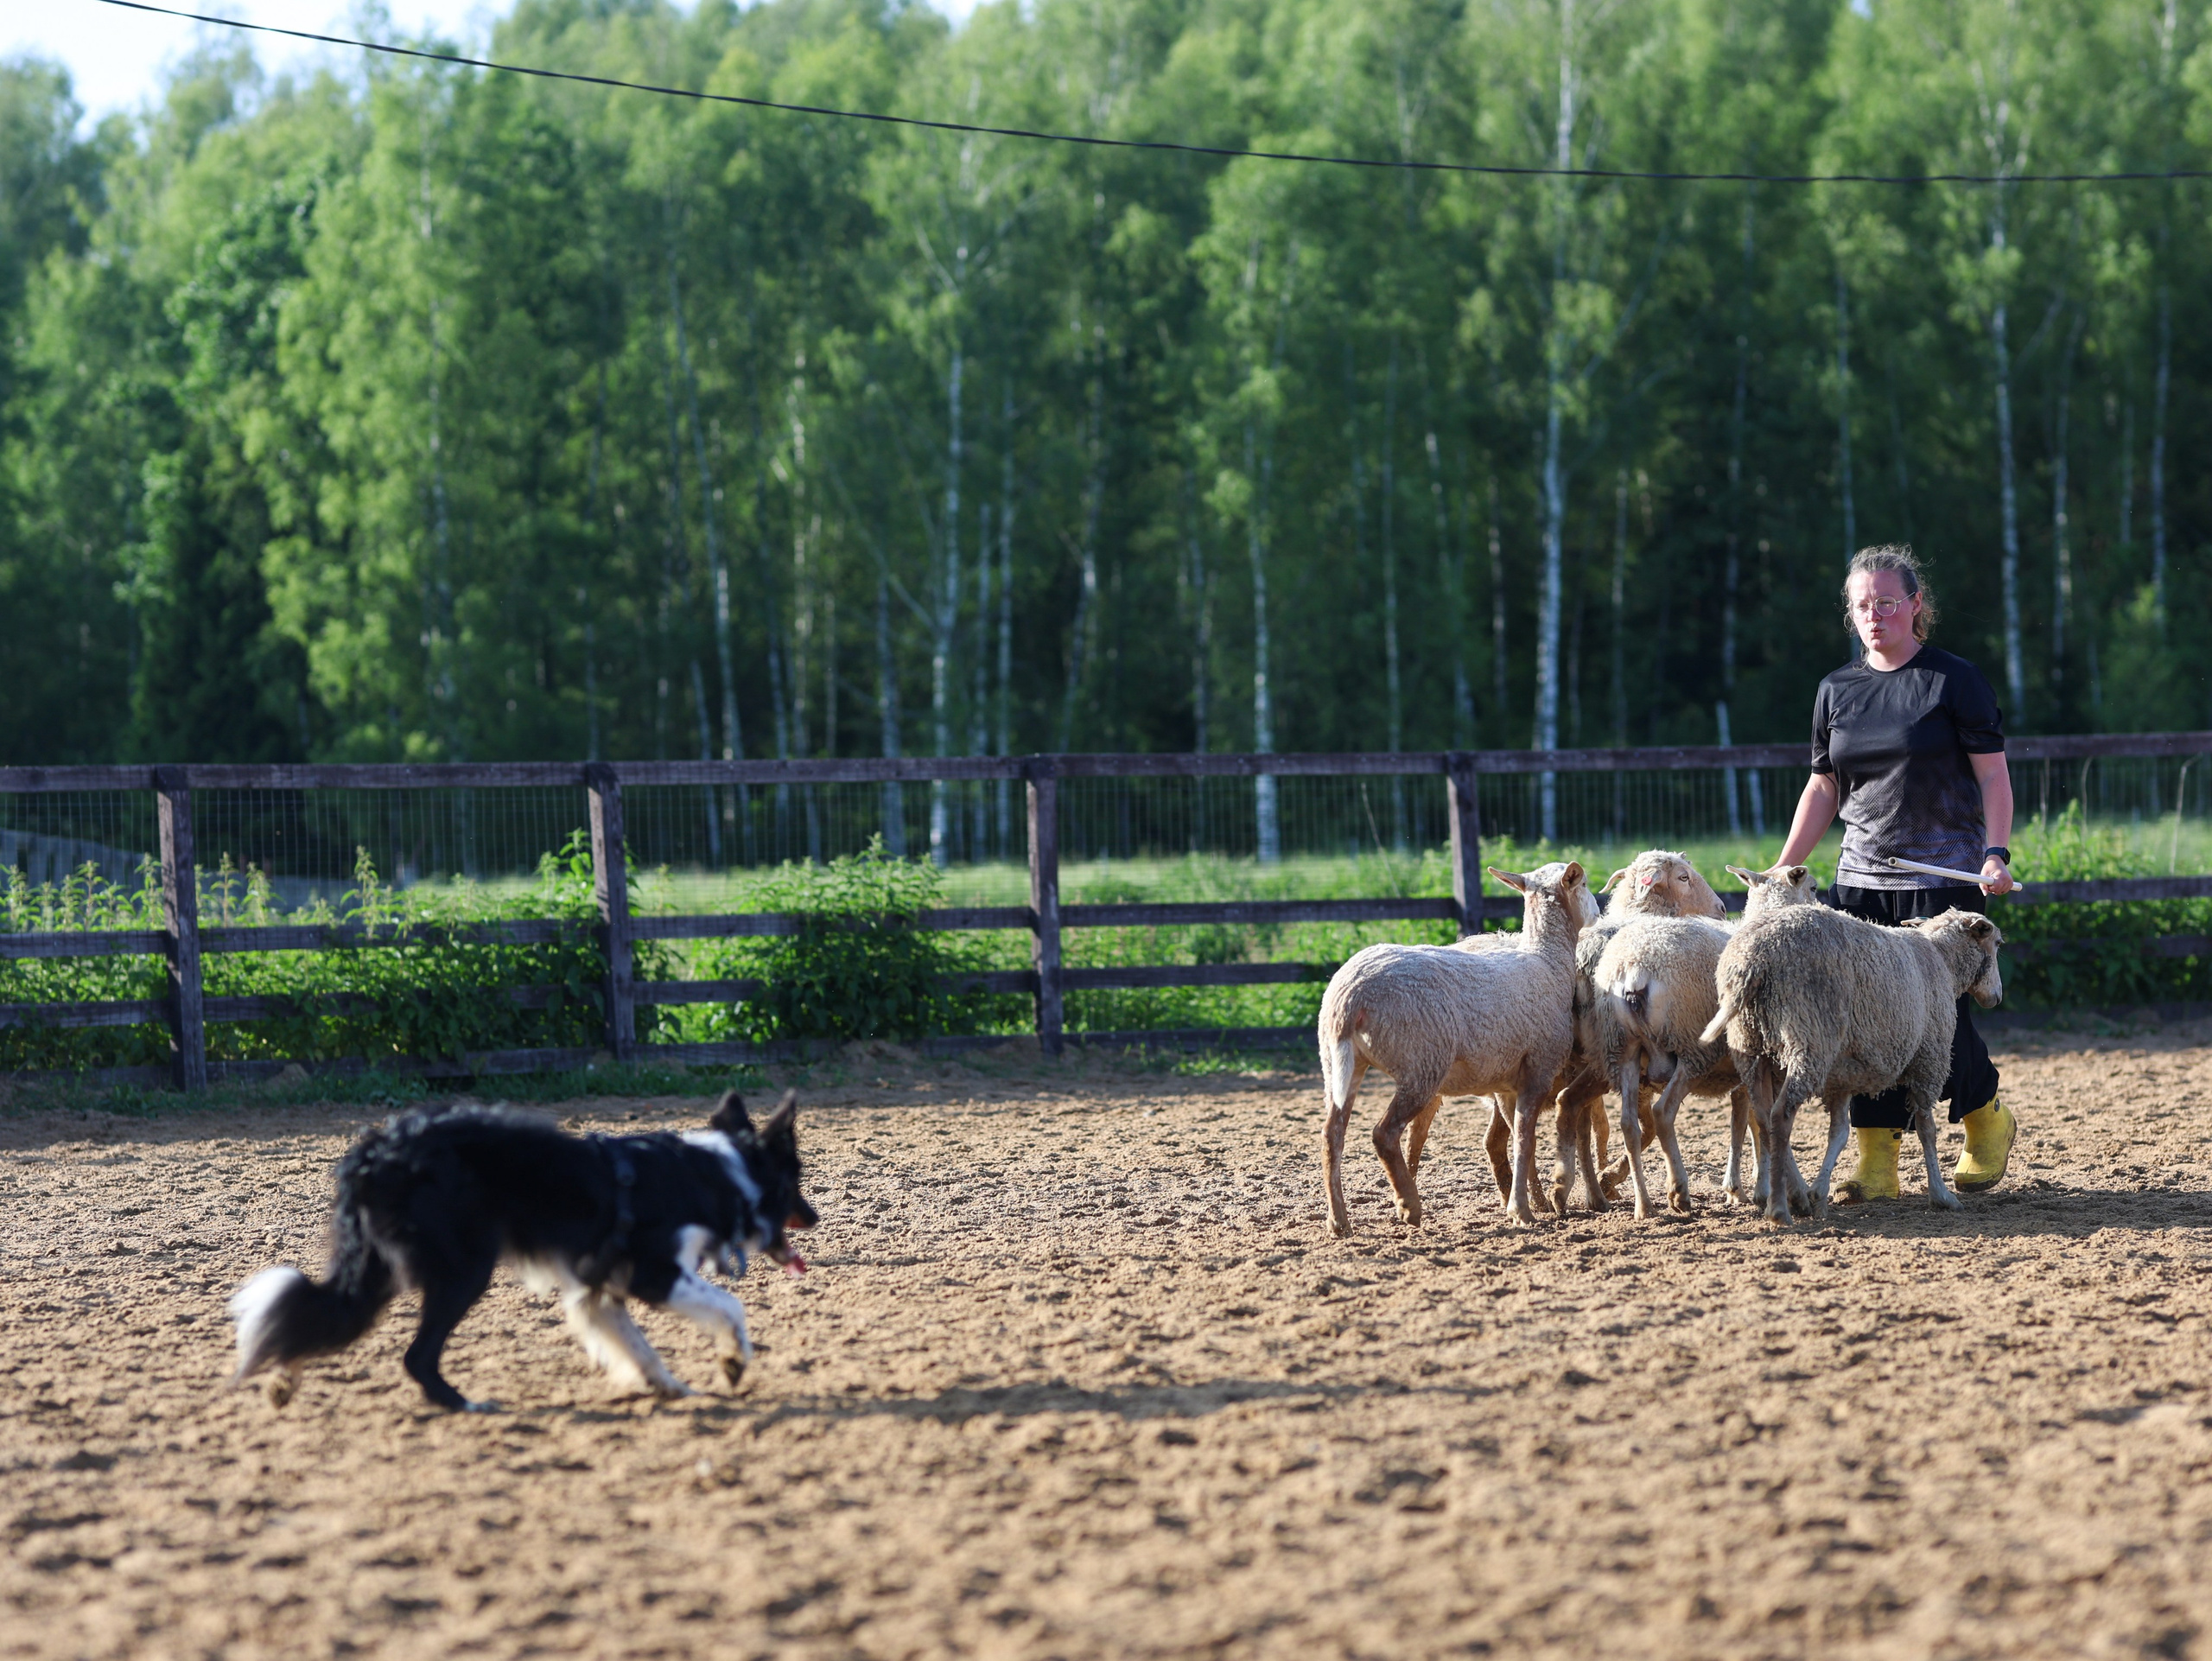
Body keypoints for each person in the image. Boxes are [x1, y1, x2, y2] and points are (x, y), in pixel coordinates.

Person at [1771, 544, 2018, 1200]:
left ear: (1915, 605)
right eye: (1861, 605)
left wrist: (1997, 855)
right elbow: (1824, 786)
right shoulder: (1836, 690)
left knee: (1939, 1020)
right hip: (1861, 880)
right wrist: (1786, 865)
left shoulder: (1954, 681)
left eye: (1886, 602)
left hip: (1944, 880)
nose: (1874, 614)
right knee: (1862, 1019)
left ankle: (1985, 1118)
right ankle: (1876, 1158)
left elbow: (1993, 776)